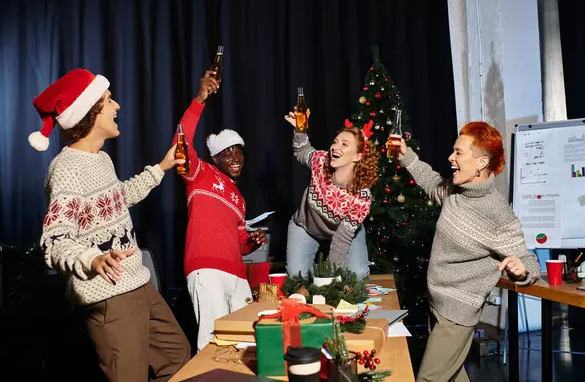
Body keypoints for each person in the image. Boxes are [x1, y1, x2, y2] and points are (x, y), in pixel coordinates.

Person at [30, 68, 191, 382]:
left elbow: (119, 196)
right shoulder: (66, 169)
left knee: (177, 356)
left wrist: (162, 167)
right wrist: (93, 258)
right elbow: (55, 241)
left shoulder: (102, 160)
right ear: (90, 113)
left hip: (138, 284)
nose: (117, 106)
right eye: (108, 100)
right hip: (110, 296)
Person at [393, 121, 541, 382]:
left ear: (482, 163)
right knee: (452, 377)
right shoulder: (455, 192)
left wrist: (522, 269)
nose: (450, 158)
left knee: (429, 378)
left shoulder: (497, 214)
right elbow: (430, 181)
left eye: (459, 153)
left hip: (457, 315)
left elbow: (529, 261)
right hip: (437, 303)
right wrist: (406, 154)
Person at [173, 70, 268, 352]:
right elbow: (181, 142)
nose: (235, 157)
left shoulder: (239, 198)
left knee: (245, 342)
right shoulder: (199, 173)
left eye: (239, 152)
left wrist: (253, 241)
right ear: (215, 157)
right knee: (214, 344)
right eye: (228, 152)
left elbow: (240, 244)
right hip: (206, 269)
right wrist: (200, 99)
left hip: (237, 275)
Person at [284, 109, 379, 281]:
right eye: (335, 142)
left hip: (342, 233)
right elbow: (302, 151)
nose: (335, 146)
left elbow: (341, 241)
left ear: (357, 156)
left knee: (356, 275)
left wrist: (327, 279)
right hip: (305, 227)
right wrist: (299, 129)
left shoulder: (361, 196)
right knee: (296, 277)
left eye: (344, 144)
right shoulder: (321, 161)